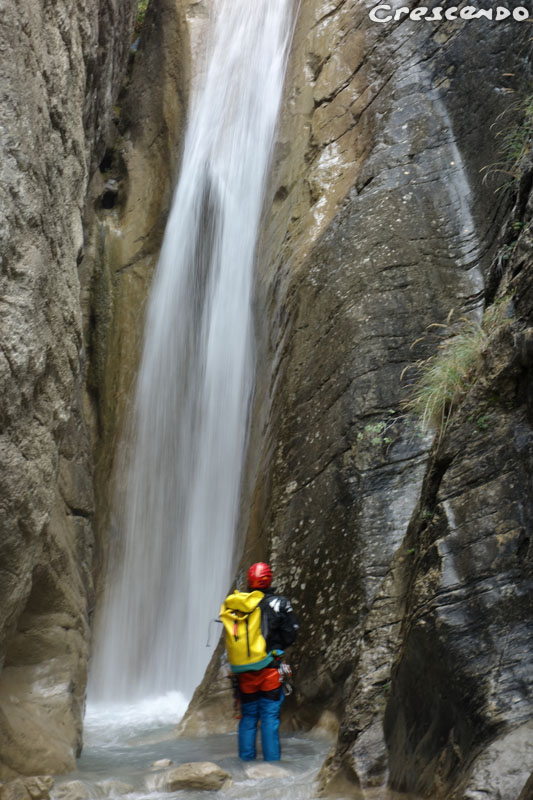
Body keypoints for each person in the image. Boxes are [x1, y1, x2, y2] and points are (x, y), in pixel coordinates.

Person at [220, 562, 298, 761]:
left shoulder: (238, 605)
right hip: (270, 669)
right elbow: (291, 634)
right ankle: (272, 765)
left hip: (244, 672)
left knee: (248, 717)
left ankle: (245, 763)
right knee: (269, 717)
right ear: (269, 579)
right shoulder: (280, 603)